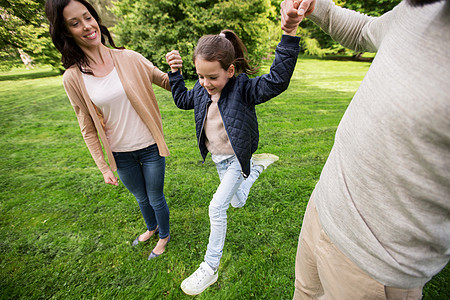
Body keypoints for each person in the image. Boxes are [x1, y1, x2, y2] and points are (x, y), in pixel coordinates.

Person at [281, 0, 450, 298]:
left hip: (376, 264)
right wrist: (319, 6)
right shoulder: (422, 8)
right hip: (323, 208)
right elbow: (364, 31)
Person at [165, 20, 302, 294]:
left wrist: (289, 36)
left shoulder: (243, 89)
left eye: (212, 77)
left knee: (216, 208)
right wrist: (175, 73)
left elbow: (277, 81)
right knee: (237, 202)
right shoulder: (202, 90)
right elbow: (182, 100)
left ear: (229, 70)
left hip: (237, 159)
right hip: (220, 160)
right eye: (200, 76)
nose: (205, 84)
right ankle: (257, 168)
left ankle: (209, 268)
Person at [45, 0, 172, 260]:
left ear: (95, 18)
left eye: (88, 17)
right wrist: (104, 167)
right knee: (141, 197)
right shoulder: (72, 78)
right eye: (75, 23)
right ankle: (151, 227)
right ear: (66, 31)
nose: (87, 26)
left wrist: (183, 74)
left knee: (155, 197)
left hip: (149, 146)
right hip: (121, 154)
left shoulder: (129, 57)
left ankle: (164, 236)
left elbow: (165, 81)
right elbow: (87, 127)